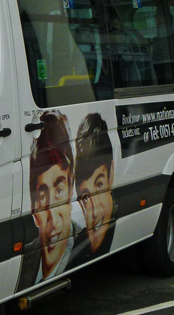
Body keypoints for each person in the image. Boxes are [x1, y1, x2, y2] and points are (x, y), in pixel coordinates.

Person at [27, 111, 77, 283]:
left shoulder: (86, 244)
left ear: (71, 188)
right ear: (33, 210)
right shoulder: (26, 260)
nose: (53, 218)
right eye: (42, 197)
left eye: (59, 191)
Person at [70, 113, 116, 265]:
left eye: (99, 185)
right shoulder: (76, 247)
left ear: (111, 176)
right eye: (85, 197)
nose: (94, 211)